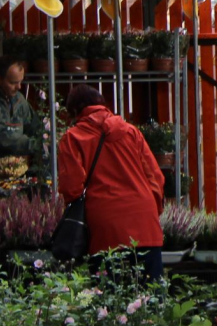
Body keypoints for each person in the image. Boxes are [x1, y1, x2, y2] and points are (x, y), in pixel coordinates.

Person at [57, 84, 165, 279]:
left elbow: (71, 188)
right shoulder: (131, 131)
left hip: (106, 229)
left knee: (110, 300)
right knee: (153, 297)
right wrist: (150, 212)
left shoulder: (72, 138)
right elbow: (156, 178)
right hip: (146, 225)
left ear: (74, 112)